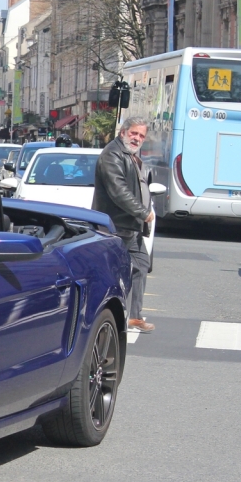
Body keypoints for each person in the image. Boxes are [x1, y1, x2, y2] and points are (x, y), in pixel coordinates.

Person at [92, 117, 154, 334]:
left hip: (130, 227)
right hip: (115, 225)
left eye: (141, 136)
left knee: (141, 265)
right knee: (110, 272)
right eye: (134, 133)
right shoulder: (113, 154)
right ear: (123, 132)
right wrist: (143, 212)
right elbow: (118, 191)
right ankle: (100, 316)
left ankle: (134, 316)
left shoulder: (130, 155)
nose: (137, 138)